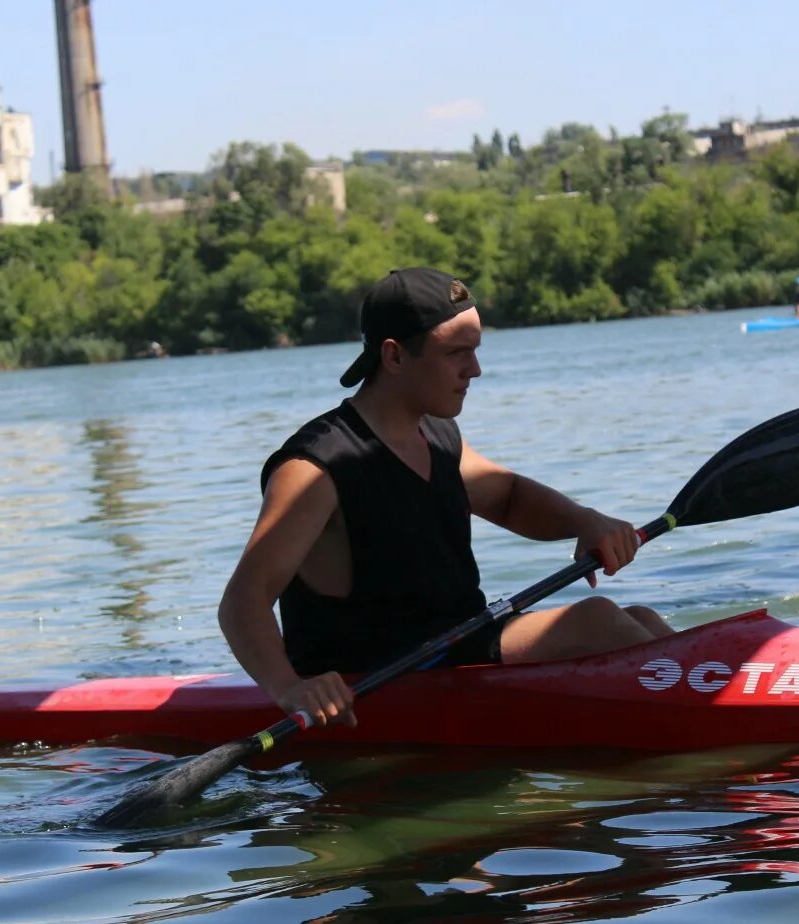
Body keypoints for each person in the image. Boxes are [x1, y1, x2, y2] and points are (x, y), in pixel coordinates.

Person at [218, 267, 675, 728]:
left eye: (475, 351)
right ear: (394, 357)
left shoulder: (436, 434)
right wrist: (291, 688)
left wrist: (583, 520)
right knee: (598, 621)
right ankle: (698, 720)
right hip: (376, 678)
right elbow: (243, 602)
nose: (474, 370)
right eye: (456, 353)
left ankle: (714, 701)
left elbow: (509, 498)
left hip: (456, 644)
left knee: (642, 618)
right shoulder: (315, 469)